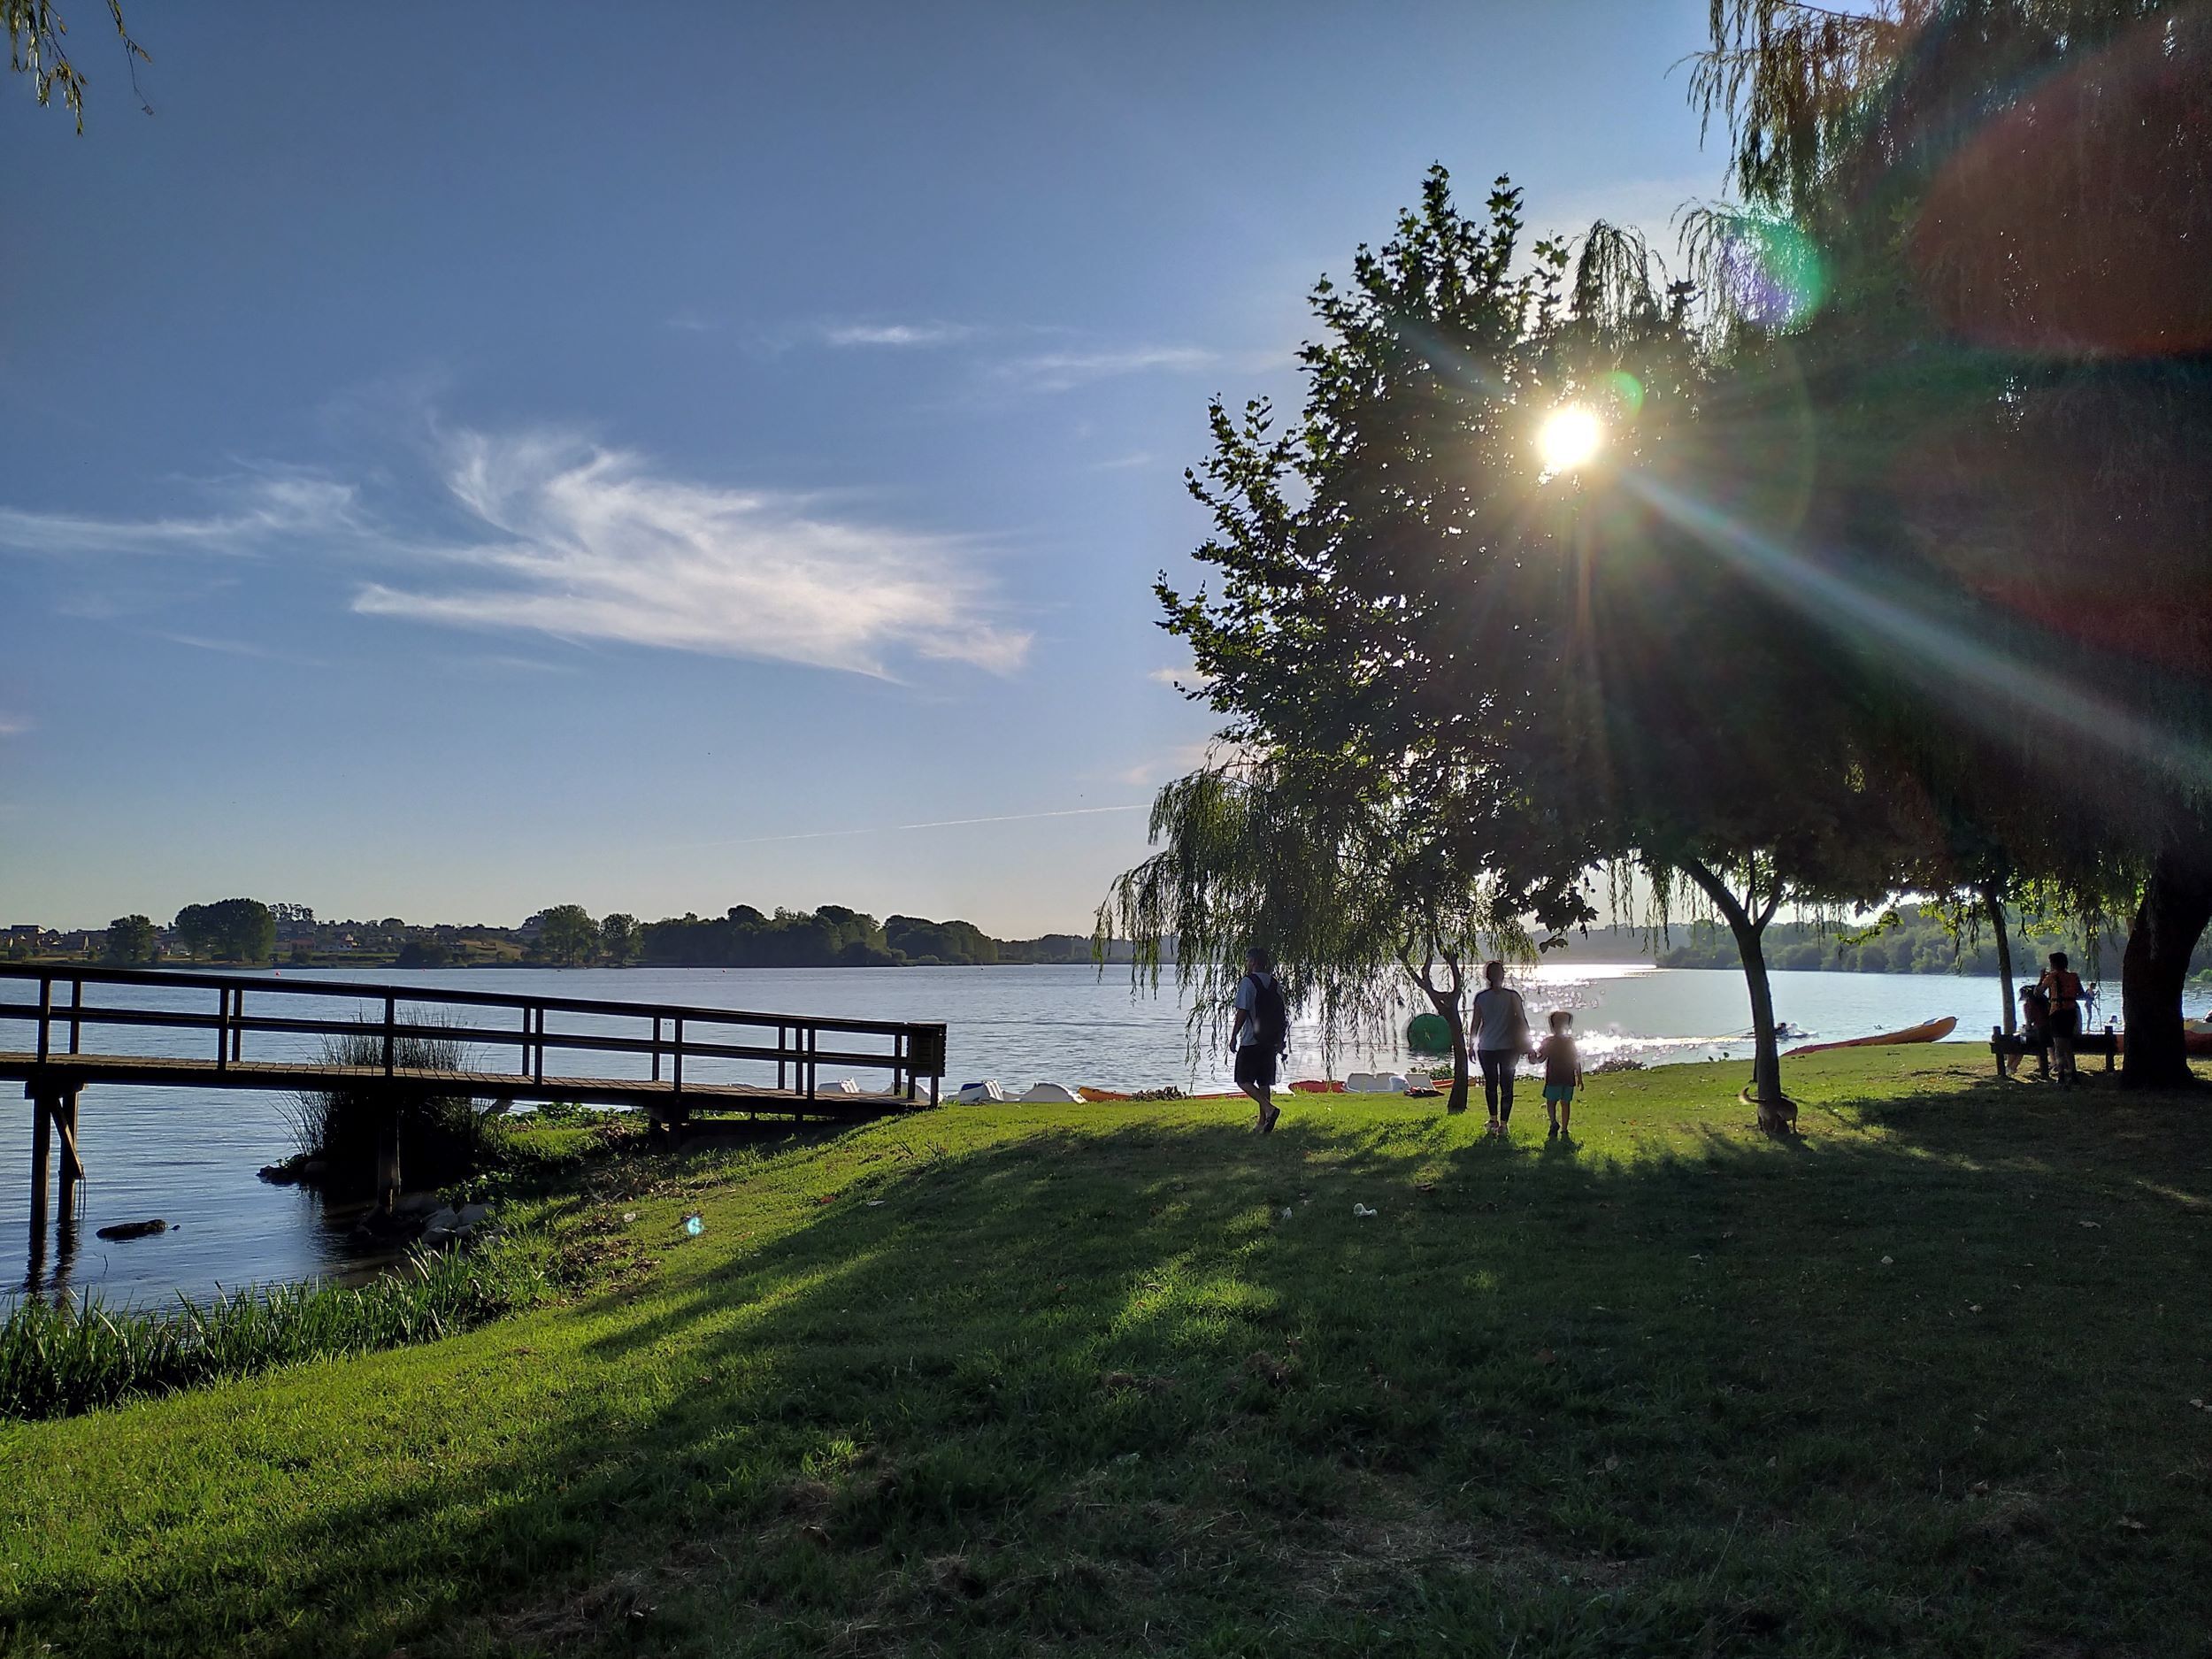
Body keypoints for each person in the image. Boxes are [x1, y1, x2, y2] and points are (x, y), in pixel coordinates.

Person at [1230, 946, 1288, 1133]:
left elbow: (1242, 1011)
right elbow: (1281, 1013)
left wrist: (1233, 1036)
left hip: (1251, 1040)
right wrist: (1280, 1039)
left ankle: (1269, 1110)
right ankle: (1263, 1123)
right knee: (1264, 1082)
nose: (1246, 964)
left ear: (1253, 962)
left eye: (1248, 960)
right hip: (1269, 1041)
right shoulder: (1274, 983)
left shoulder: (1248, 982)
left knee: (1242, 1080)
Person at [1470, 960, 1530, 1139]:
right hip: (1509, 1048)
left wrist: (1471, 1045)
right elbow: (1522, 1021)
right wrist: (1529, 1045)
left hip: (1487, 1047)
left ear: (1487, 976)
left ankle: (1493, 1119)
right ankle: (1503, 1124)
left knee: (1490, 1085)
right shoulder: (1513, 996)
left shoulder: (1481, 997)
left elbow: (1476, 1023)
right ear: (1502, 975)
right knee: (1507, 1086)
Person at [2037, 951, 2086, 1086]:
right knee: (2068, 1044)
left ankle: (2061, 1075)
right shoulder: (2074, 976)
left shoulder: (2052, 976)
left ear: (2053, 964)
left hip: (2057, 1012)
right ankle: (2074, 1073)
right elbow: (2081, 994)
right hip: (2071, 1012)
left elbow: (2038, 992)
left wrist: (2041, 978)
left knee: (2058, 1045)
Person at [1535, 1010, 1583, 1139]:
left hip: (1553, 1078)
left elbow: (1541, 1058)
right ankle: (1565, 1129)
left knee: (1551, 1102)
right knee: (1565, 1103)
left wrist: (1533, 1058)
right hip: (1568, 1078)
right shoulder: (1570, 1042)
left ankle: (1553, 1122)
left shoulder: (1548, 1042)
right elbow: (1575, 1060)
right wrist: (1579, 1078)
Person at [2016, 982, 2053, 1080]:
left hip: (2039, 1033)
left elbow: (2029, 1023)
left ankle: (2011, 1067)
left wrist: (2025, 1028)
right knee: (2035, 1043)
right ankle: (2042, 1066)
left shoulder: (2028, 1005)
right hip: (2051, 1032)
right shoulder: (2045, 1002)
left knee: (2021, 1041)